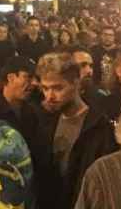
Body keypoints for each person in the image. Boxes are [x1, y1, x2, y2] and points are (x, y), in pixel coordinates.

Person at [33, 52, 116, 209]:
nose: (49, 96)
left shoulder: (100, 127)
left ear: (76, 82)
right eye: (45, 88)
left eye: (58, 88)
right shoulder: (44, 122)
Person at [0, 55, 39, 145]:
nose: (34, 83)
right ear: (11, 78)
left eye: (35, 79)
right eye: (28, 77)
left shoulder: (32, 112)